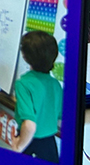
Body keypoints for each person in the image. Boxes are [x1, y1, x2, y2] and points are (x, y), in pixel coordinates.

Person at [12, 31, 62, 163]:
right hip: (49, 144)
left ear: (25, 56)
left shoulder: (23, 83)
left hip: (29, 141)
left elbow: (29, 125)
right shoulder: (55, 84)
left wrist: (19, 146)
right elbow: (60, 117)